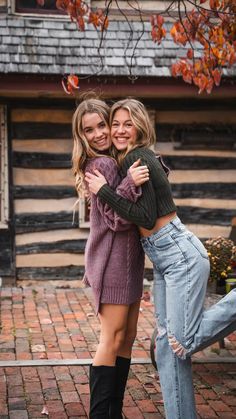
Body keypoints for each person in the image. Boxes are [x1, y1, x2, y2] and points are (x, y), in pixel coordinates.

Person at [85, 98, 236, 419]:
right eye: (115, 123)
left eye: (128, 123)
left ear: (141, 125)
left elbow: (147, 217)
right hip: (165, 258)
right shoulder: (134, 159)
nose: (119, 130)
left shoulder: (135, 159)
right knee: (168, 349)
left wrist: (105, 192)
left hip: (178, 253)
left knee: (182, 340)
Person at [72, 97, 150, 419]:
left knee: (127, 337)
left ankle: (113, 411)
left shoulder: (112, 162)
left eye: (102, 125)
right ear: (82, 136)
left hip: (128, 263)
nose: (100, 134)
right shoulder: (101, 165)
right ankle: (101, 413)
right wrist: (131, 181)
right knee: (112, 337)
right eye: (89, 130)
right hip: (112, 263)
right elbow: (118, 220)